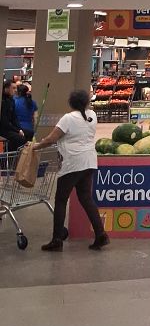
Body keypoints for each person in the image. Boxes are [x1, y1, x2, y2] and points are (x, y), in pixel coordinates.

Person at [33, 89, 109, 252]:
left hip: (72, 163)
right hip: (89, 161)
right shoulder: (92, 115)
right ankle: (100, 234)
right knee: (86, 198)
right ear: (86, 102)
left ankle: (56, 239)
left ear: (71, 103)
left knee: (61, 200)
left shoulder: (68, 118)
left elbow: (52, 138)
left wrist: (36, 146)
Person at [0, 78, 25, 151]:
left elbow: (14, 117)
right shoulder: (2, 101)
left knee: (28, 134)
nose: (16, 90)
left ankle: (19, 156)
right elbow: (4, 121)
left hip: (9, 127)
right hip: (3, 128)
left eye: (16, 88)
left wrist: (20, 129)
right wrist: (17, 130)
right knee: (19, 138)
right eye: (13, 88)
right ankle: (10, 157)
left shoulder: (12, 100)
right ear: (6, 88)